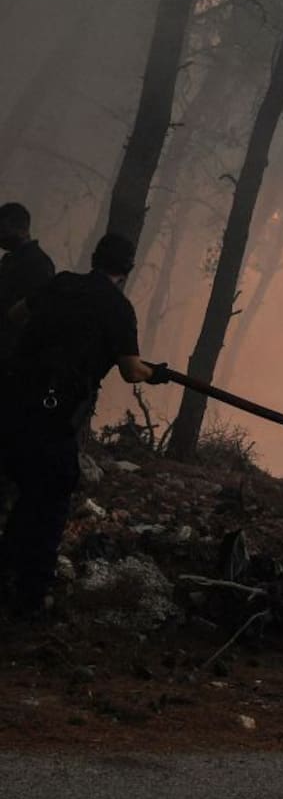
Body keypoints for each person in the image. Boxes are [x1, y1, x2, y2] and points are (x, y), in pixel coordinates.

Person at [0, 233, 168, 620]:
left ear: (95, 258)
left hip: (15, 401)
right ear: (126, 269)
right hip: (55, 416)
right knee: (51, 500)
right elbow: (130, 370)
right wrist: (154, 374)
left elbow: (16, 314)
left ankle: (8, 576)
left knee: (24, 492)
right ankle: (29, 598)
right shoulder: (118, 309)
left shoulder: (62, 284)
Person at [0, 202, 55, 367]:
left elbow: (35, 312)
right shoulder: (12, 260)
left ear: (21, 228)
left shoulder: (38, 264)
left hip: (10, 351)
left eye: (3, 229)